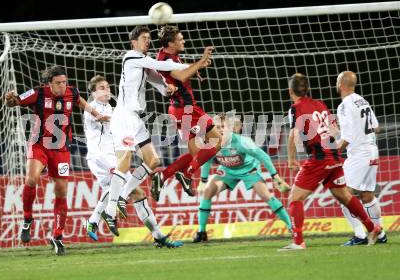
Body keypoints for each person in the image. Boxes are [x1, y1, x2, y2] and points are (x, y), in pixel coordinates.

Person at [104, 26, 212, 236]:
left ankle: (121, 198)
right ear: (133, 42)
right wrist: (195, 63)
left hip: (135, 119)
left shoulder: (143, 64)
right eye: (144, 38)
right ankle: (109, 210)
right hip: (124, 116)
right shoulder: (131, 57)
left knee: (153, 161)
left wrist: (167, 88)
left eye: (149, 39)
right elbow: (161, 64)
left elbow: (158, 80)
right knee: (124, 162)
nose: (148, 42)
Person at [4, 65, 108, 255]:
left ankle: (57, 236)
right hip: (39, 145)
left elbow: (83, 103)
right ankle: (27, 219)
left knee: (61, 191)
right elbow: (15, 101)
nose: (62, 86)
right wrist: (11, 99)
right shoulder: (38, 93)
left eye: (64, 82)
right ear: (49, 83)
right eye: (58, 83)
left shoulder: (72, 93)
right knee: (31, 179)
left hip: (60, 150)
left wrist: (99, 115)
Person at [281, 73, 381, 251]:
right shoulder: (320, 104)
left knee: (295, 198)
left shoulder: (295, 108)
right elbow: (334, 130)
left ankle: (298, 242)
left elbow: (293, 134)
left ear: (290, 91)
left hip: (319, 159)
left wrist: (291, 159)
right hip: (334, 156)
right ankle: (373, 228)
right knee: (344, 195)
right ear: (307, 89)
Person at [83, 75, 183, 247]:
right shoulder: (92, 108)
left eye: (107, 87)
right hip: (101, 156)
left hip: (113, 156)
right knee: (120, 185)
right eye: (101, 88)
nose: (106, 90)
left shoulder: (111, 108)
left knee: (137, 194)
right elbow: (103, 118)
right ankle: (99, 216)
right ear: (92, 93)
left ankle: (158, 235)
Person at [193, 113, 291, 242]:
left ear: (231, 128)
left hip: (248, 170)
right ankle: (201, 232)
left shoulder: (243, 142)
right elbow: (206, 160)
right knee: (207, 192)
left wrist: (275, 177)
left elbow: (263, 157)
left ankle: (291, 226)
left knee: (266, 196)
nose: (221, 130)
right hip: (227, 171)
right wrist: (203, 181)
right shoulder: (210, 143)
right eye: (217, 127)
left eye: (224, 126)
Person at [151, 25, 221, 201]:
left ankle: (163, 176)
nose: (184, 41)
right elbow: (180, 75)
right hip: (187, 109)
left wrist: (195, 66)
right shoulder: (166, 60)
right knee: (218, 140)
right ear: (170, 43)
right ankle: (187, 174)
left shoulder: (167, 55)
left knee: (196, 152)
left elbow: (180, 71)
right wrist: (201, 59)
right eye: (180, 39)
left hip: (179, 109)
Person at [333, 71, 387, 245]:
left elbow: (347, 139)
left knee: (343, 194)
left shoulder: (344, 106)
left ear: (341, 83)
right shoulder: (362, 100)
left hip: (359, 155)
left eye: (336, 80)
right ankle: (380, 234)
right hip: (371, 152)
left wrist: (332, 153)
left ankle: (360, 235)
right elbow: (376, 127)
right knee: (367, 195)